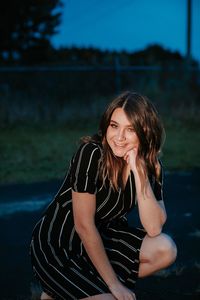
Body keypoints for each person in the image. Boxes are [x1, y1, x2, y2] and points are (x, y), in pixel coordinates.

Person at [30, 91, 177, 300]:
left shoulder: (153, 167)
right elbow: (83, 225)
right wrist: (115, 285)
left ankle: (67, 291)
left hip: (105, 237)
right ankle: (69, 287)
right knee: (111, 298)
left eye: (130, 129)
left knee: (166, 249)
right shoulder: (91, 154)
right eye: (114, 126)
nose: (119, 137)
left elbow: (154, 228)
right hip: (61, 243)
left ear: (145, 130)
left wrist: (139, 172)